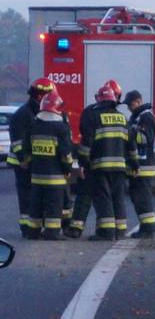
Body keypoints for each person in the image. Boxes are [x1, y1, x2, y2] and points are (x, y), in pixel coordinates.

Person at [82, 84, 138, 241]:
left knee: (103, 197)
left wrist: (84, 163)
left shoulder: (94, 117)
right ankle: (120, 230)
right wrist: (134, 164)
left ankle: (106, 232)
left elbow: (87, 143)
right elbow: (131, 145)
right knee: (118, 197)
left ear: (99, 101)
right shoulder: (122, 118)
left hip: (99, 166)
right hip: (120, 167)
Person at [7, 78, 56, 237]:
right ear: (40, 96)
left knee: (36, 196)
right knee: (27, 196)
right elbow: (18, 141)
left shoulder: (37, 112)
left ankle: (35, 227)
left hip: (34, 163)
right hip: (23, 164)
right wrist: (24, 160)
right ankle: (27, 229)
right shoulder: (23, 114)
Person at [22, 91, 73, 240]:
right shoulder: (61, 128)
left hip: (37, 176)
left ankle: (33, 232)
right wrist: (68, 169)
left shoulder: (33, 125)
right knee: (53, 206)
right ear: (56, 108)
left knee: (35, 205)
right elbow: (65, 155)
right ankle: (51, 232)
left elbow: (26, 150)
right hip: (55, 178)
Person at [64, 92, 101, 238]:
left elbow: (85, 138)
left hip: (91, 163)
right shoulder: (117, 116)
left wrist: (83, 163)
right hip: (106, 166)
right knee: (105, 198)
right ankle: (109, 230)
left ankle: (76, 228)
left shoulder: (89, 112)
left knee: (84, 195)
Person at [122, 90, 155, 238]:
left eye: (130, 105)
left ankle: (148, 228)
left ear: (137, 101)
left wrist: (130, 133)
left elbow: (145, 139)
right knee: (137, 196)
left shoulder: (146, 117)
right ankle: (146, 226)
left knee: (142, 197)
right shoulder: (138, 116)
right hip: (138, 164)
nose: (129, 108)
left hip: (144, 165)